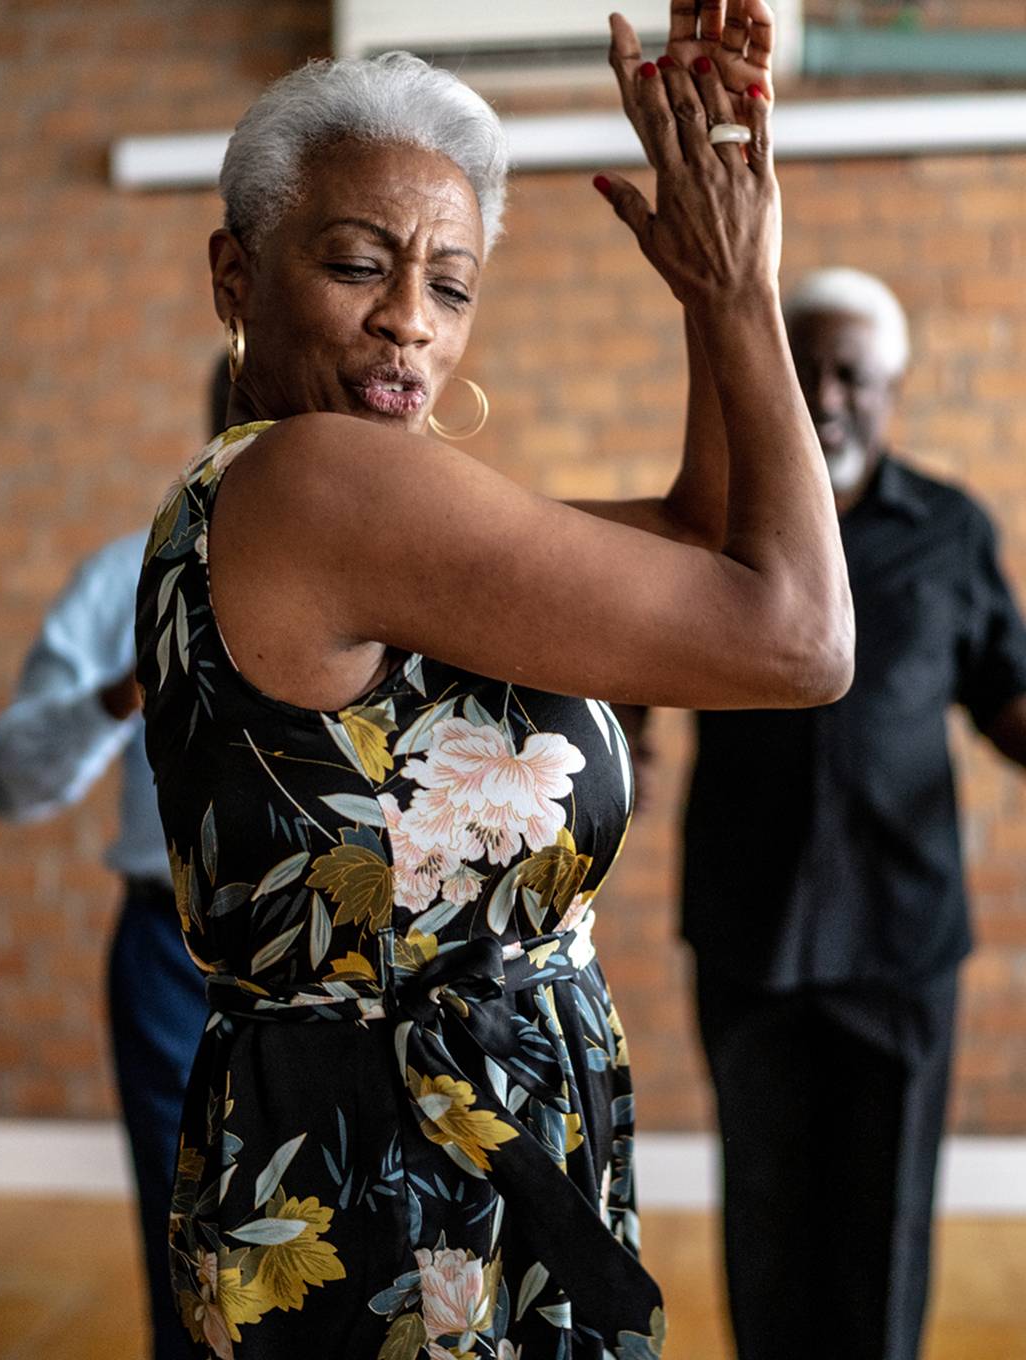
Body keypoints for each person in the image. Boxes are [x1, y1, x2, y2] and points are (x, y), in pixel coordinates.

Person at [135, 6, 854, 1356]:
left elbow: (710, 538)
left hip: (394, 1143)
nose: (410, 321)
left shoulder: (292, 508)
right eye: (359, 264)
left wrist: (714, 289)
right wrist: (750, 294)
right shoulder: (320, 483)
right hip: (416, 1187)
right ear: (237, 276)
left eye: (452, 285)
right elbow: (800, 638)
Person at [681, 266, 1026, 1360]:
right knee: (769, 1227)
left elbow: (1003, 693)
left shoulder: (953, 530)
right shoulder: (717, 522)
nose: (826, 394)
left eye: (852, 373)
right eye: (808, 368)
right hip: (751, 930)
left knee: (885, 1231)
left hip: (901, 940)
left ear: (893, 387)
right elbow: (628, 660)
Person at [0, 358, 232, 1360]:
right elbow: (3, 778)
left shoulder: (418, 569)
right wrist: (124, 692)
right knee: (192, 1263)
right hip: (179, 954)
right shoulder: (132, 572)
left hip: (367, 962)